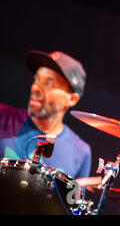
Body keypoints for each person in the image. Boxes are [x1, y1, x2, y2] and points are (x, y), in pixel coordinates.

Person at [0, 50, 91, 179]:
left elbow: (71, 198)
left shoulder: (81, 152)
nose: (35, 88)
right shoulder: (2, 117)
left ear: (71, 99)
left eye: (48, 83)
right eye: (37, 79)